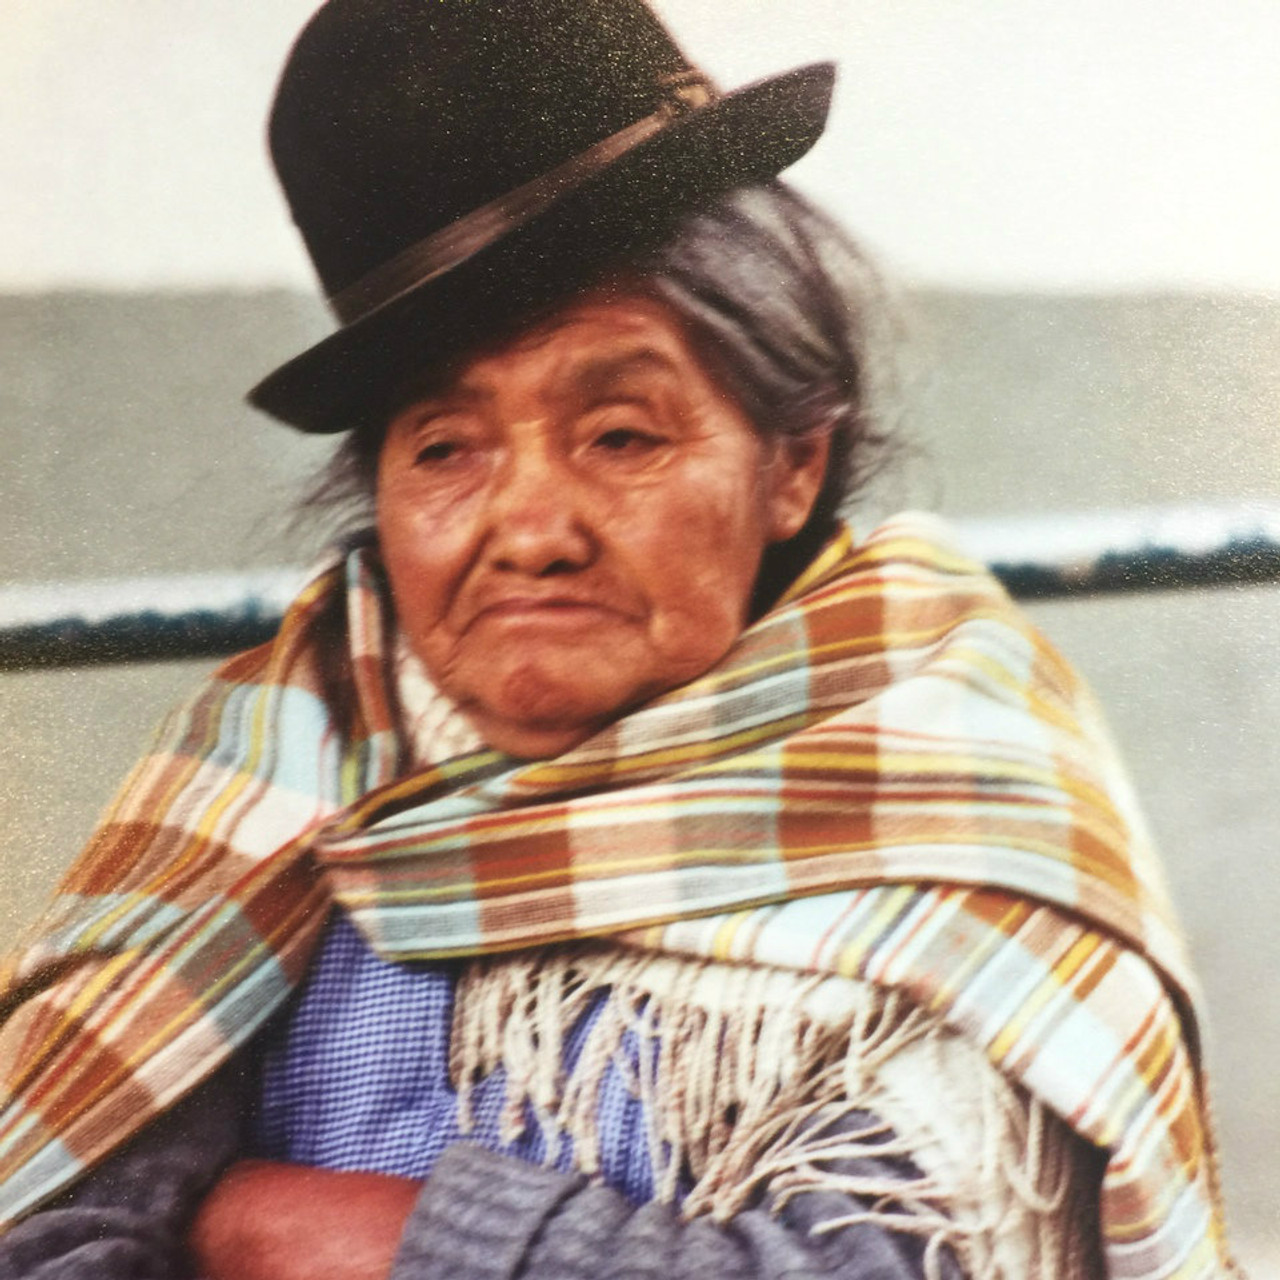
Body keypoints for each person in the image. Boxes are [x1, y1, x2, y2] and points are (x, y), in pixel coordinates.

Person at [0, 1, 1235, 1277]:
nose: (529, 530)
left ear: (788, 465)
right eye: (444, 447)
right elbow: (58, 1218)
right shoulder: (267, 780)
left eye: (621, 435)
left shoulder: (948, 790)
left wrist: (365, 1237)